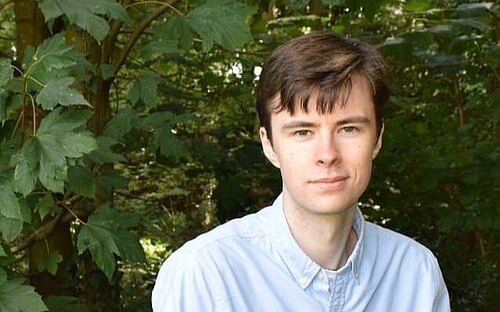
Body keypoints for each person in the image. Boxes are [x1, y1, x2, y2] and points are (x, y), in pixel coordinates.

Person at [152, 31, 450, 311]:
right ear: (268, 144)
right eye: (302, 132)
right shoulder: (205, 275)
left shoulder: (416, 274)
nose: (327, 155)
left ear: (378, 139)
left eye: (349, 128)